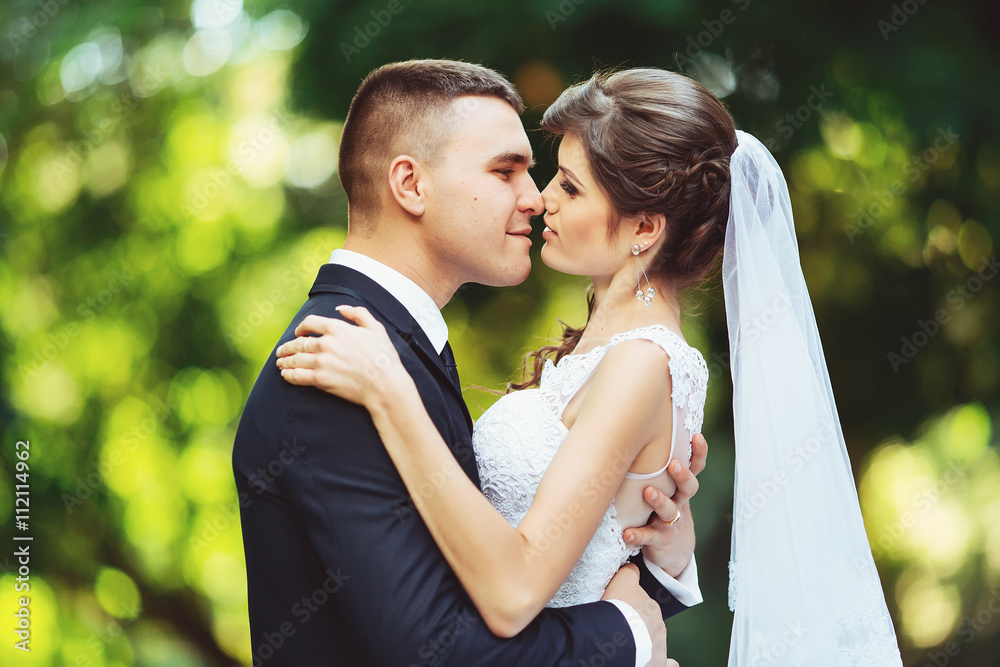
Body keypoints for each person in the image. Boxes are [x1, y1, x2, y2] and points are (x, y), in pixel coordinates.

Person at [277, 67, 906, 665]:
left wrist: (392, 394)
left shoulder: (640, 364)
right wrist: (668, 564)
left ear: (644, 228)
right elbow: (611, 554)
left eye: (569, 186)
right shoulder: (611, 357)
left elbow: (517, 586)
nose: (539, 200)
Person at [233, 60, 704, 667]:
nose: (535, 200)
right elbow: (438, 650)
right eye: (505, 171)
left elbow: (518, 570)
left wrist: (657, 556)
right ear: (410, 185)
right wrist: (630, 634)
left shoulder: (396, 352)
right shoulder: (337, 362)